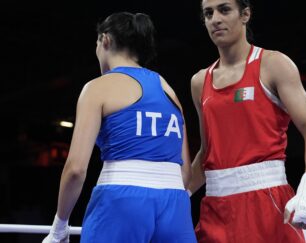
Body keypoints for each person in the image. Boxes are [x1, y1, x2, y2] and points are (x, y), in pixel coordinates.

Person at [43, 12, 197, 243]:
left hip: (121, 200)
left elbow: (75, 169)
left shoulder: (98, 88)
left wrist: (59, 227)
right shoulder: (169, 91)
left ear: (104, 40)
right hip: (175, 205)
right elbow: (185, 172)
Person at [187, 0, 306, 242]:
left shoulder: (273, 65)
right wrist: (178, 194)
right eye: (208, 13)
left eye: (224, 9)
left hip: (267, 203)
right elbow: (207, 152)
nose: (215, 19)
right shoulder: (200, 82)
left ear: (245, 14)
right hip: (216, 210)